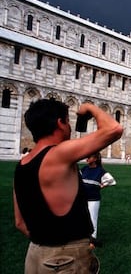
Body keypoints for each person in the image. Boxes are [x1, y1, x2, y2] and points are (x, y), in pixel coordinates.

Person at [13, 98, 123, 273]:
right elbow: (114, 129)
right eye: (68, 121)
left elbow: (19, 222)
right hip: (65, 259)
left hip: (34, 255)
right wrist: (88, 106)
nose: (71, 127)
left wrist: (45, 245)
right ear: (60, 123)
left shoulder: (22, 165)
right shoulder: (58, 154)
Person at [81, 152, 116, 247]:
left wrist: (102, 186)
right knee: (83, 218)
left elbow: (111, 180)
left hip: (93, 199)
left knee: (92, 219)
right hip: (83, 198)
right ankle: (83, 237)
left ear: (95, 159)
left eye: (89, 156)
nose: (87, 158)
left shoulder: (100, 171)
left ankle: (92, 240)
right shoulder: (84, 169)